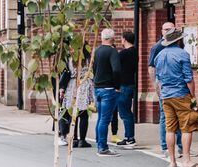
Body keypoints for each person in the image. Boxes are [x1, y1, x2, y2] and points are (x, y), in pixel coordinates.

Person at [154, 29, 198, 167]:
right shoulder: (183, 54)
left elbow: (158, 80)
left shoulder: (159, 56)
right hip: (181, 94)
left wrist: (162, 94)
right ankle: (186, 160)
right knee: (186, 128)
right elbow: (189, 79)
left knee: (170, 129)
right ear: (179, 40)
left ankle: (172, 161)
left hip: (166, 95)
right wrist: (193, 96)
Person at [149, 20, 182, 158]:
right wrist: (156, 87)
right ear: (161, 32)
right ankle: (165, 147)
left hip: (177, 85)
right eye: (165, 29)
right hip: (163, 84)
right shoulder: (157, 47)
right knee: (165, 117)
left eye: (171, 29)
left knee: (180, 116)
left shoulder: (179, 44)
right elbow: (152, 68)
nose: (168, 31)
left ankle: (181, 146)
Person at [91, 28, 122, 157]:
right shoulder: (112, 51)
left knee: (100, 118)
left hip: (97, 87)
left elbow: (93, 67)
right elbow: (116, 70)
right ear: (112, 38)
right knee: (105, 119)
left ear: (102, 38)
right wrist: (117, 85)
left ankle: (99, 142)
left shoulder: (97, 51)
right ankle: (102, 148)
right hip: (108, 88)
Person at [58, 49, 93, 148]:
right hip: (84, 84)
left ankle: (74, 139)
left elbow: (66, 74)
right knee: (84, 114)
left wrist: (62, 88)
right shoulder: (88, 59)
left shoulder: (70, 58)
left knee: (73, 114)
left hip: (73, 84)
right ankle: (82, 140)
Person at [112, 31, 138, 149]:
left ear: (125, 40)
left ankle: (130, 138)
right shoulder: (135, 52)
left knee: (124, 113)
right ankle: (129, 137)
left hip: (123, 85)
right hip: (131, 84)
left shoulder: (123, 54)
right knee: (128, 112)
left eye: (122, 39)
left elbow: (115, 68)